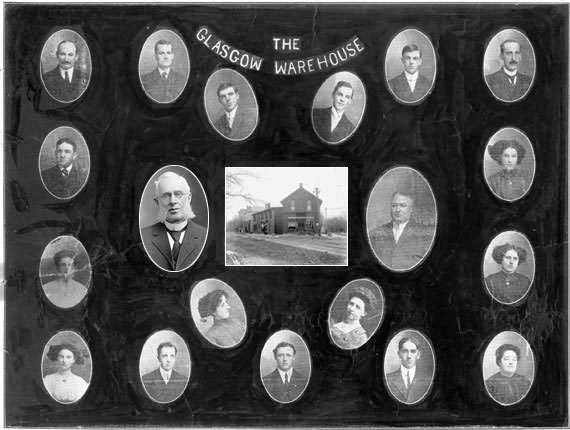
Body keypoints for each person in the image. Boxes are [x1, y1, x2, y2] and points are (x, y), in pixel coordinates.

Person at [141, 171, 207, 272]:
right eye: (166, 196)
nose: (172, 201)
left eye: (178, 194)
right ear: (157, 202)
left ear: (189, 198)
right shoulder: (143, 237)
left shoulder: (205, 235)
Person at [369, 191, 432, 271]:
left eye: (403, 205)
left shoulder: (425, 235)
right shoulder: (375, 234)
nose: (397, 210)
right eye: (394, 205)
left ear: (411, 209)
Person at [385, 336, 431, 404]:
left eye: (413, 351)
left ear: (418, 355)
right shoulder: (388, 379)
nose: (409, 356)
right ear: (399, 354)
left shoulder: (428, 380)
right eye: (405, 351)